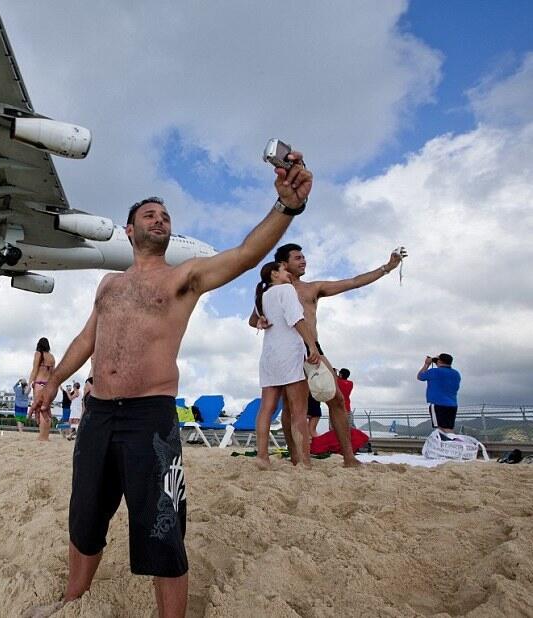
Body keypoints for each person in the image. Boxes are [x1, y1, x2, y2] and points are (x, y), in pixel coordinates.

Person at [32, 149, 311, 618]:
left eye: (165, 216)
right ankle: (71, 601)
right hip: (98, 414)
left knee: (163, 525)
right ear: (130, 230)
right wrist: (53, 380)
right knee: (85, 517)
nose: (159, 220)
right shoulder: (108, 285)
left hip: (150, 417)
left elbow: (245, 255)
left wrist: (286, 207)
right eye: (149, 214)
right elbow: (86, 339)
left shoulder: (186, 277)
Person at [250, 243, 406, 467]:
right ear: (282, 265)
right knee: (292, 407)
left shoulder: (312, 288)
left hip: (312, 347)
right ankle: (297, 458)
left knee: (337, 398)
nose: (303, 261)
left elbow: (352, 282)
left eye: (304, 257)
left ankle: (349, 456)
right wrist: (261, 321)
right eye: (297, 258)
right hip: (290, 349)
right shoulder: (274, 291)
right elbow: (254, 318)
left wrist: (387, 267)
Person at [253, 261, 320, 469]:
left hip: (269, 356)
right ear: (274, 274)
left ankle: (262, 456)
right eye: (284, 270)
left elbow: (252, 320)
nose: (288, 273)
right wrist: (312, 345)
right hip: (289, 353)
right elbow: (296, 319)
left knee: (266, 408)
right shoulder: (286, 290)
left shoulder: (262, 296)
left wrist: (259, 321)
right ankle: (303, 460)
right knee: (298, 411)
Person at [418, 353, 461, 433]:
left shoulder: (434, 372)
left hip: (438, 404)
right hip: (452, 405)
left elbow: (420, 376)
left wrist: (427, 364)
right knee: (449, 429)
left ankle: (442, 444)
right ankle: (451, 443)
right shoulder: (456, 373)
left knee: (440, 429)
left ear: (440, 361)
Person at [28, 337, 56, 441]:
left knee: (40, 410)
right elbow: (53, 373)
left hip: (39, 384)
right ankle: (46, 435)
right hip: (48, 384)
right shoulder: (52, 357)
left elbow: (34, 370)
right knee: (46, 409)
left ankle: (42, 436)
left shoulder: (38, 354)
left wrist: (29, 383)